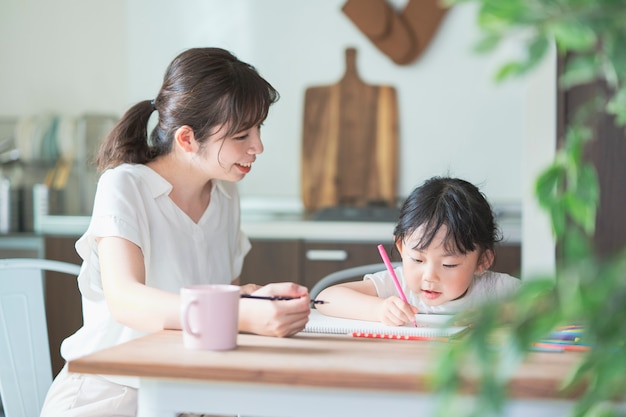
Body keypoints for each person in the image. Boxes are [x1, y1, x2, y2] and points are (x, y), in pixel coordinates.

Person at [40, 47, 311, 417]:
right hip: (112, 392)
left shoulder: (226, 194)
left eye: (258, 129)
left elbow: (219, 295)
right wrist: (238, 314)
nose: (257, 146)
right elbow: (126, 300)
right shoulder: (124, 186)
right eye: (241, 135)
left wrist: (252, 299)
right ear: (187, 139)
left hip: (191, 391)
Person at [315, 176, 521, 326]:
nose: (430, 276)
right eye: (417, 260)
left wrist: (505, 312)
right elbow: (326, 299)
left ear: (482, 261)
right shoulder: (397, 285)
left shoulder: (494, 290)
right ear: (401, 247)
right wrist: (378, 309)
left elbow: (550, 306)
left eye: (449, 264)